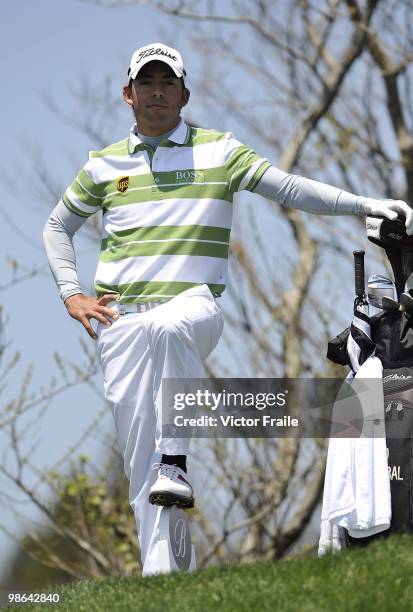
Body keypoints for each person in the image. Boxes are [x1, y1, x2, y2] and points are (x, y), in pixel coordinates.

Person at [43, 42, 413, 575]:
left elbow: (289, 189)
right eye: (146, 83)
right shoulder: (103, 166)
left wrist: (364, 205)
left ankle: (177, 461)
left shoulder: (219, 151)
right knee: (136, 453)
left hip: (193, 306)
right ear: (128, 94)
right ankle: (161, 573)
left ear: (184, 95)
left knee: (173, 335)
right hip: (119, 319)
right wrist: (70, 294)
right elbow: (58, 226)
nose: (156, 93)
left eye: (167, 83)